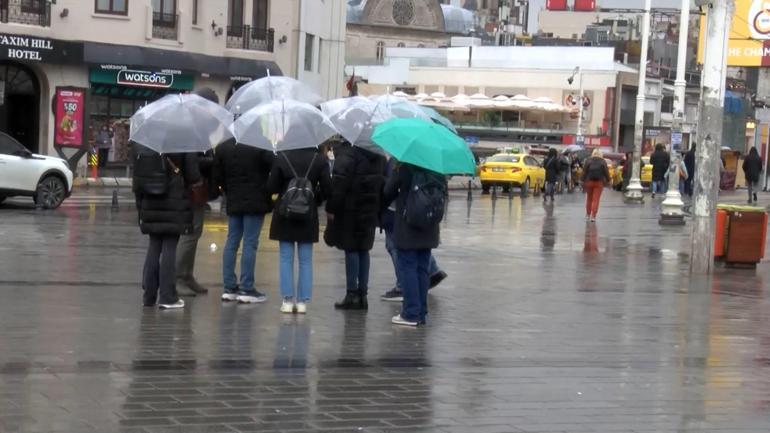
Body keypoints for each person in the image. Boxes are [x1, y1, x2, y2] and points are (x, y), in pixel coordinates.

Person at [132, 144, 201, 310]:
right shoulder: (183, 141)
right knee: (170, 247)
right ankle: (167, 297)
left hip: (150, 199)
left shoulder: (145, 143)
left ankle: (149, 297)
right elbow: (193, 175)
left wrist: (140, 207)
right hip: (174, 200)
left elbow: (138, 175)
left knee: (154, 246)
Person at [267, 147, 331, 314]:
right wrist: (314, 198)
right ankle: (302, 302)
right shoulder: (319, 159)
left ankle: (288, 300)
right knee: (305, 260)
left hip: (285, 214)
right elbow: (328, 189)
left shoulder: (282, 157)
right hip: (308, 215)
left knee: (285, 258)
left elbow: (272, 186)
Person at [325, 141, 386, 310]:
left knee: (351, 249)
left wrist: (331, 208)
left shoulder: (348, 154)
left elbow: (339, 184)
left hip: (350, 210)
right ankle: (363, 295)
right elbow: (383, 184)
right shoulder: (379, 155)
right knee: (364, 249)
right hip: (370, 208)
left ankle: (352, 294)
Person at [383, 162, 445, 326]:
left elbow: (388, 192)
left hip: (408, 225)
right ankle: (421, 312)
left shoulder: (405, 168)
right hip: (429, 226)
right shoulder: (437, 169)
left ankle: (410, 313)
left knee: (408, 268)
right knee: (422, 270)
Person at [214, 138, 275, 304]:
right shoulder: (259, 144)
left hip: (234, 199)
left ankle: (229, 287)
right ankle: (247, 287)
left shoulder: (223, 147)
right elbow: (274, 166)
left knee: (232, 241)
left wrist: (229, 189)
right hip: (256, 200)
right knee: (250, 243)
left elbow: (218, 176)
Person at [176, 88, 219, 297]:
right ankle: (178, 277)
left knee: (195, 232)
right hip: (192, 188)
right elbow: (192, 162)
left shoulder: (198, 126)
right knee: (189, 234)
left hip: (195, 187)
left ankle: (187, 275)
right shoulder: (192, 127)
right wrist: (210, 163)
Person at [581, 148, 610, 223]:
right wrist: (608, 180)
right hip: (599, 182)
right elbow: (606, 172)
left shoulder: (588, 160)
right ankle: (593, 216)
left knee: (589, 198)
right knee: (596, 199)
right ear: (600, 154)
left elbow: (584, 171)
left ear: (593, 153)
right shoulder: (603, 161)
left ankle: (588, 215)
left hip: (589, 181)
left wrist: (582, 180)